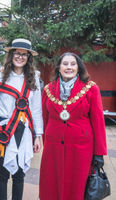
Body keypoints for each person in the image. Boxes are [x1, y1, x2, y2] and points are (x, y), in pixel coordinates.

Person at [39, 52, 107, 200]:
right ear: (58, 67)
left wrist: (99, 152)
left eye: (72, 64)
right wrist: (43, 141)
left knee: (77, 187)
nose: (68, 67)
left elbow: (98, 122)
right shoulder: (47, 90)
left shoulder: (90, 88)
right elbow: (44, 119)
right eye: (65, 64)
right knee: (51, 186)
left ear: (78, 67)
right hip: (53, 148)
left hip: (81, 149)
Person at [0, 38, 43, 200]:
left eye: (24, 54)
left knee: (19, 175)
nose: (20, 57)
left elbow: (37, 109)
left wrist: (38, 136)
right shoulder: (0, 76)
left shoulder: (34, 79)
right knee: (2, 174)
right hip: (3, 131)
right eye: (17, 53)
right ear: (11, 55)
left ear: (29, 58)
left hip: (24, 132)